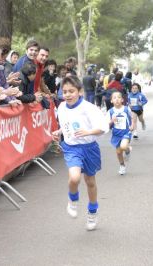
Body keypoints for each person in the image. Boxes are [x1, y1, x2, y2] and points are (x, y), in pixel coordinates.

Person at [52, 76, 108, 231]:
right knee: (75, 177)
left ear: (80, 92)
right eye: (65, 92)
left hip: (89, 148)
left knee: (90, 182)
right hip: (72, 148)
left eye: (71, 91)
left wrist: (87, 132)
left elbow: (103, 127)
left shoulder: (88, 108)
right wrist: (59, 131)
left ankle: (92, 213)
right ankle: (73, 200)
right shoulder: (62, 107)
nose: (68, 95)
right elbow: (66, 125)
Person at [107, 91, 134, 175]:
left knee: (123, 146)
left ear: (122, 100)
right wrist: (112, 121)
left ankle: (127, 149)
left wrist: (132, 125)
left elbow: (132, 117)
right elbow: (107, 124)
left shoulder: (126, 109)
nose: (117, 99)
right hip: (116, 134)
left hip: (126, 132)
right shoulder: (110, 112)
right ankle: (122, 166)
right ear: (111, 101)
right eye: (114, 98)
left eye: (119, 97)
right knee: (118, 152)